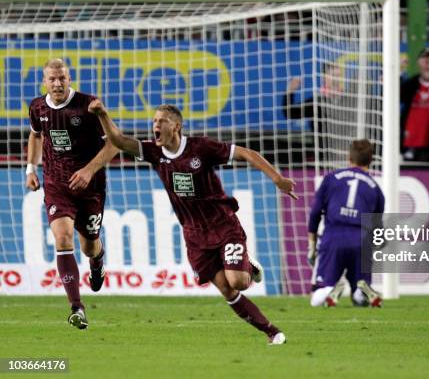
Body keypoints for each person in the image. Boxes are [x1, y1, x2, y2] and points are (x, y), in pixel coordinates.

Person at [89, 102, 296, 345]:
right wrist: (103, 114)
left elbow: (246, 153)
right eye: (154, 121)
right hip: (194, 235)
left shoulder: (201, 148)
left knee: (238, 281)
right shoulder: (154, 152)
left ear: (176, 126)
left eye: (161, 121)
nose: (155, 125)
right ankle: (272, 332)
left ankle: (248, 267)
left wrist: (277, 178)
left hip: (223, 224)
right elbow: (120, 141)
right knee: (228, 291)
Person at [26, 58, 116, 329]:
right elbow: (36, 134)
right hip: (56, 184)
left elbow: (113, 145)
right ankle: (77, 307)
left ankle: (97, 260)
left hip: (90, 187)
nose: (57, 83)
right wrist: (30, 168)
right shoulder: (37, 107)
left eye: (62, 78)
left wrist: (88, 171)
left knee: (89, 245)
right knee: (63, 238)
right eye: (52, 79)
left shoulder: (88, 106)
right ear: (44, 81)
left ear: (69, 78)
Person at [307, 139, 385, 307]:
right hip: (361, 240)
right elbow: (378, 228)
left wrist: (312, 244)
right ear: (371, 160)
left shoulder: (331, 179)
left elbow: (315, 213)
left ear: (349, 157)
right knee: (359, 295)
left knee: (316, 299)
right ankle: (361, 292)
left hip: (334, 236)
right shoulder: (376, 189)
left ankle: (329, 290)